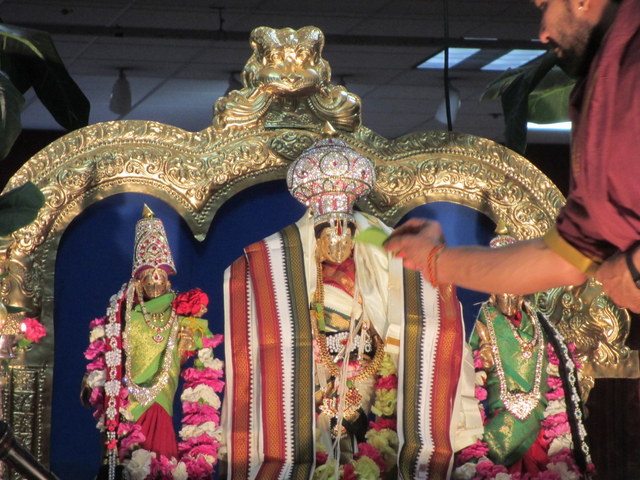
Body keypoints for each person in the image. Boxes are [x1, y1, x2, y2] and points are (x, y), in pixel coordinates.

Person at [220, 137, 483, 479]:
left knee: (369, 450)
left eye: (345, 236)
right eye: (329, 237)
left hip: (368, 375)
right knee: (317, 448)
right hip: (316, 377)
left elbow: (402, 320)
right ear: (315, 240)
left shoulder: (374, 277)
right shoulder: (300, 281)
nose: (338, 244)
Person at [384, 0, 640, 313]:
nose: (543, 33)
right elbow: (559, 259)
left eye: (544, 5)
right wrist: (433, 260)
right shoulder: (600, 86)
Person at [82, 206, 223, 480]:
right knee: (128, 463)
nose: (156, 285)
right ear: (139, 282)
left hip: (161, 401)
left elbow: (195, 359)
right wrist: (93, 381)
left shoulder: (181, 313)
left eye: (161, 279)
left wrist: (184, 347)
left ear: (168, 281)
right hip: (128, 405)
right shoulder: (123, 315)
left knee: (160, 463)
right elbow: (107, 356)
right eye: (149, 279)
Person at [452, 232, 593, 479]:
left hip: (540, 433)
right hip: (492, 429)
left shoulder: (543, 325)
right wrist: (481, 358)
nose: (508, 291)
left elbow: (561, 374)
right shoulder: (476, 321)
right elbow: (463, 375)